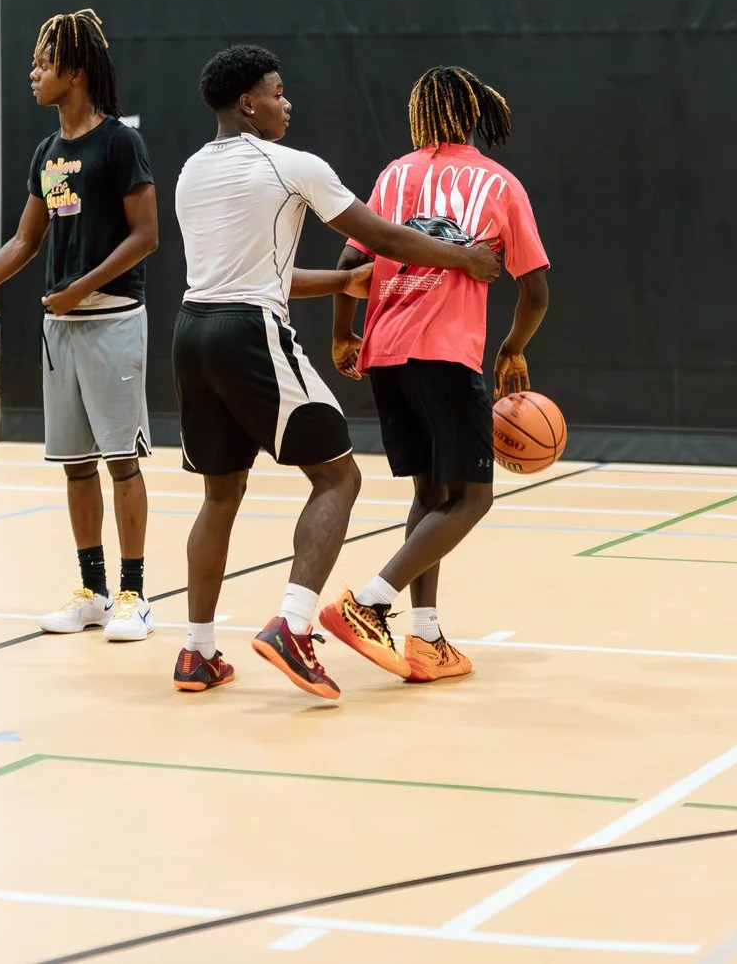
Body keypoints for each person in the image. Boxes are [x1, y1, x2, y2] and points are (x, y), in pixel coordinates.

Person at [169, 45, 499, 700]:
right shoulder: (294, 166)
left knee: (219, 494)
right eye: (278, 92)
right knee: (338, 475)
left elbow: (263, 273)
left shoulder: (192, 172)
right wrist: (464, 259)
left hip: (192, 332)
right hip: (248, 332)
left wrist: (346, 280)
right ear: (247, 103)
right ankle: (292, 625)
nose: (287, 103)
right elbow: (390, 237)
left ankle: (197, 650)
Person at [0, 10, 165, 642]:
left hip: (112, 321)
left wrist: (81, 288)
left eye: (44, 63)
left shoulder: (119, 143)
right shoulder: (48, 153)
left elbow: (147, 237)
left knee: (121, 463)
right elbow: (26, 241)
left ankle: (136, 596)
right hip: (63, 330)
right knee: (76, 466)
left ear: (76, 72)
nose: (32, 73)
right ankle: (93, 592)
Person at [321, 67, 549, 684]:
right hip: (446, 353)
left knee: (430, 495)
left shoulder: (394, 174)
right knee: (473, 498)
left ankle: (425, 638)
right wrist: (511, 349)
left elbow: (350, 258)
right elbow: (535, 291)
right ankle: (369, 601)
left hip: (386, 352)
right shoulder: (499, 183)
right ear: (475, 113)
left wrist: (345, 332)